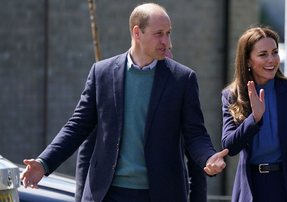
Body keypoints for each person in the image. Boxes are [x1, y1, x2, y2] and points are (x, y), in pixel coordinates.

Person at [20, 3, 228, 202]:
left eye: (168, 33)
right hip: (108, 193)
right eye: (159, 34)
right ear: (137, 33)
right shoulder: (101, 73)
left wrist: (208, 157)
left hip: (161, 194)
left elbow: (195, 134)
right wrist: (43, 163)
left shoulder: (183, 79)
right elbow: (76, 127)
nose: (167, 41)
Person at [75, 48, 208, 202]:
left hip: (161, 193)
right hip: (108, 192)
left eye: (169, 50)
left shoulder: (180, 85)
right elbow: (87, 148)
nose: (167, 54)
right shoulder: (107, 77)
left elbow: (195, 154)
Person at [221, 26, 287, 202]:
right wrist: (254, 119)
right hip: (250, 189)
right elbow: (230, 146)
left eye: (274, 52)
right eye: (263, 54)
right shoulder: (232, 95)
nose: (272, 60)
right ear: (248, 61)